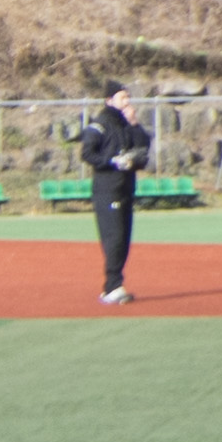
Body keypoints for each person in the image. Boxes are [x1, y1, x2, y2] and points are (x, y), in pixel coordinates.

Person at [75, 84, 157, 308]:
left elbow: (143, 146)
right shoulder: (101, 124)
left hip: (126, 188)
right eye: (123, 97)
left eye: (128, 97)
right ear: (109, 100)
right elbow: (87, 152)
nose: (127, 102)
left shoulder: (125, 124)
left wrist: (134, 124)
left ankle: (115, 284)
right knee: (114, 238)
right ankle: (112, 286)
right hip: (107, 189)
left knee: (124, 239)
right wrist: (111, 161)